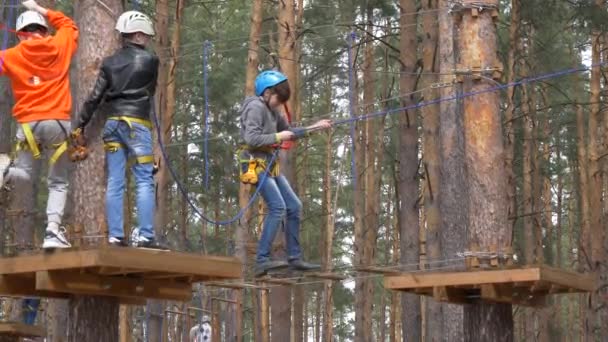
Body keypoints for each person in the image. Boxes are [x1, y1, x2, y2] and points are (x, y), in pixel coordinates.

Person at [74, 11, 164, 249]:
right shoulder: (150, 61)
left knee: (116, 180)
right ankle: (145, 236)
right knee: (144, 179)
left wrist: (80, 124)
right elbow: (151, 90)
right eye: (145, 35)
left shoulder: (109, 63)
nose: (147, 39)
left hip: (113, 124)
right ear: (136, 34)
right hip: (137, 124)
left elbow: (95, 97)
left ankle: (116, 236)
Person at [0, 0, 78, 249]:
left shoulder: (11, 56)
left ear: (21, 36)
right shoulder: (59, 44)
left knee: (24, 173)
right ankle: (52, 232)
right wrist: (38, 7)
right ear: (44, 30)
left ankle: (3, 172)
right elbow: (68, 24)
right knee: (58, 182)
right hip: (57, 122)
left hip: (28, 126)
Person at [239, 70, 332, 277]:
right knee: (278, 207)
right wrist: (277, 135)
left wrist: (314, 128)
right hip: (254, 163)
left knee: (294, 206)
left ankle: (294, 258)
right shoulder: (255, 107)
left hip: (270, 165)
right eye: (277, 99)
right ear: (266, 92)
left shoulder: (274, 112)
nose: (279, 104)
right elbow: (251, 138)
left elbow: (290, 131)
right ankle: (262, 260)